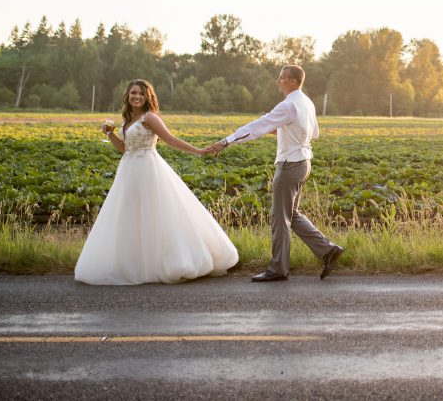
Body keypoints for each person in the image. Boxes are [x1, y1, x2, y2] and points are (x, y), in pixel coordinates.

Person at [74, 79, 238, 285]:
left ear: (147, 97)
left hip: (148, 169)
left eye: (141, 94)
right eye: (133, 93)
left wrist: (199, 151)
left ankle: (166, 262)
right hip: (128, 170)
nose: (136, 97)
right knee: (130, 216)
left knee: (156, 215)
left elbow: (171, 140)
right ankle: (135, 263)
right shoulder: (127, 120)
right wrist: (110, 134)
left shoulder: (149, 118)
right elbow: (125, 149)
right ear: (127, 96)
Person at [207, 64, 343, 282]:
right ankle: (328, 251)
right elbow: (314, 133)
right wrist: (283, 128)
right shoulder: (306, 102)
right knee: (293, 214)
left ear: (292, 81)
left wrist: (227, 141)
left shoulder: (288, 105)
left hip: (289, 165)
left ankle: (278, 268)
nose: (278, 81)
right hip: (304, 162)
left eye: (281, 78)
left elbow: (258, 125)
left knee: (280, 218)